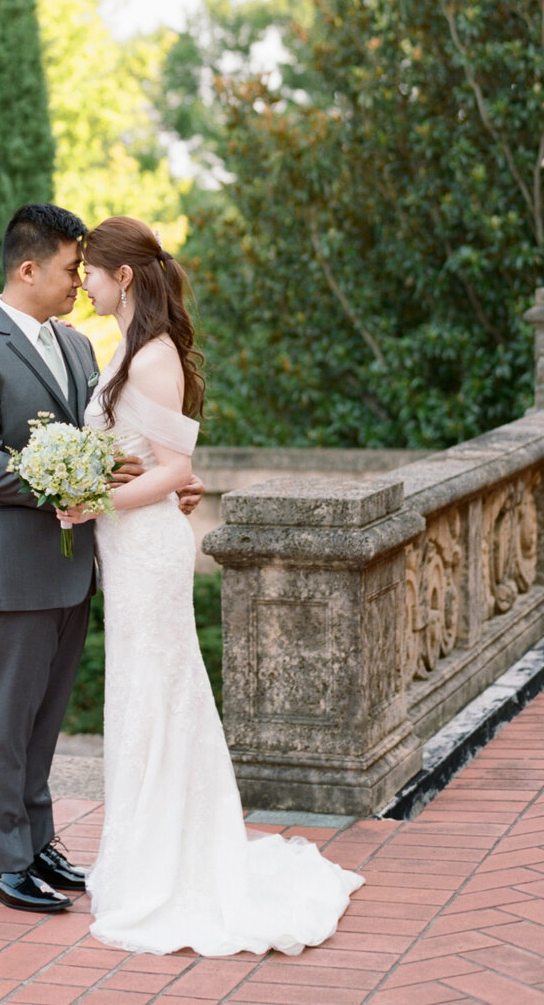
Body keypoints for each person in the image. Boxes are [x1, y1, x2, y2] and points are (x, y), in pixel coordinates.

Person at [67, 215, 363, 956]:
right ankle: (144, 855)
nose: (85, 285)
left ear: (124, 276)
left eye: (92, 274)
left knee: (158, 696)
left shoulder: (153, 356)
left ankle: (170, 870)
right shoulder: (132, 352)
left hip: (147, 551)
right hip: (129, 545)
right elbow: (159, 462)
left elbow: (168, 468)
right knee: (140, 695)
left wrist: (94, 499)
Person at [0, 203, 206, 914]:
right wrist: (69, 485)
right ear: (28, 269)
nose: (77, 282)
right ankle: (1, 863)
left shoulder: (79, 348)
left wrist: (149, 486)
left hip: (76, 563)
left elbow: (114, 446)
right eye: (67, 269)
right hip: (14, 568)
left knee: (46, 716)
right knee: (6, 721)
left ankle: (37, 841)